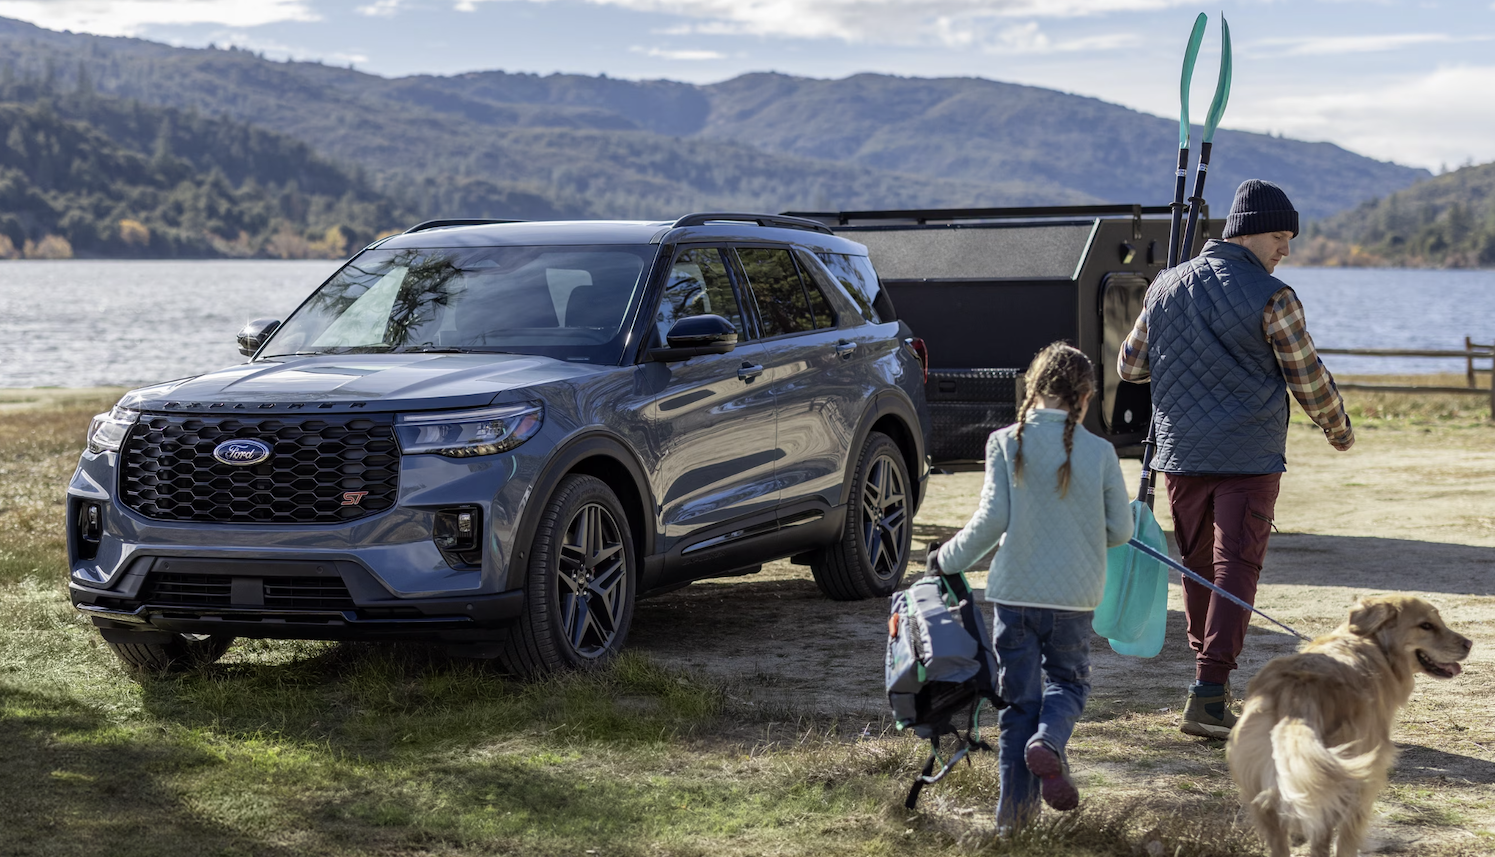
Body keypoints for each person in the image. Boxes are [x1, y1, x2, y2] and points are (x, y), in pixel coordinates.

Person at [1117, 178, 1354, 740]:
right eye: (1279, 235)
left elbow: (1130, 366)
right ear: (1246, 232)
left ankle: (1209, 687)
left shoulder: (1163, 287)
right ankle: (1208, 693)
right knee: (1236, 569)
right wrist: (1338, 428)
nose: (1286, 249)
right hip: (1248, 457)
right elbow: (1308, 377)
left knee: (1200, 569)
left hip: (1180, 454)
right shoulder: (1274, 296)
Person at [931, 342, 1132, 830]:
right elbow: (1122, 530)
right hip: (1074, 597)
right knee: (1068, 683)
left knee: (1016, 706)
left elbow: (989, 521)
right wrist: (1085, 531)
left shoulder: (1004, 442)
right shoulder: (1101, 452)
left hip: (1014, 598)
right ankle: (1050, 742)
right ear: (1084, 396)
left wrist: (945, 558)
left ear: (1032, 388)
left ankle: (1012, 823)